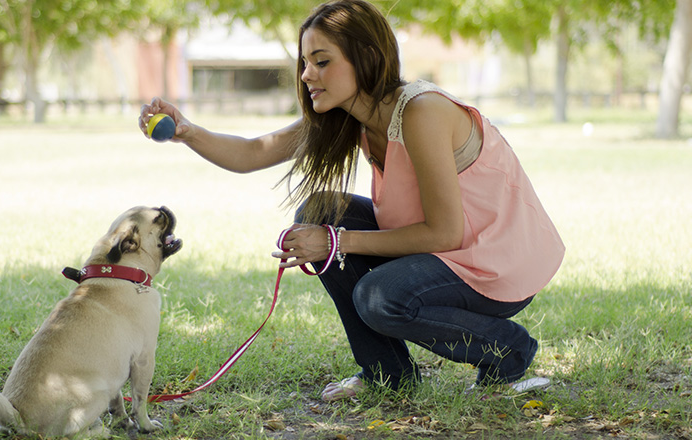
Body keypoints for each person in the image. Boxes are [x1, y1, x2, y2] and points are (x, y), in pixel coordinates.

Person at [138, 0, 564, 402]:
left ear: (366, 58)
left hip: (491, 263)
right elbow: (254, 152)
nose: (307, 74)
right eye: (305, 62)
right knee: (320, 211)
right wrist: (187, 131)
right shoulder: (348, 117)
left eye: (322, 61)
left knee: (379, 296)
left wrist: (336, 243)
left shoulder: (422, 111)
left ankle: (509, 349)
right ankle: (388, 375)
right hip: (444, 252)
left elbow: (445, 231)